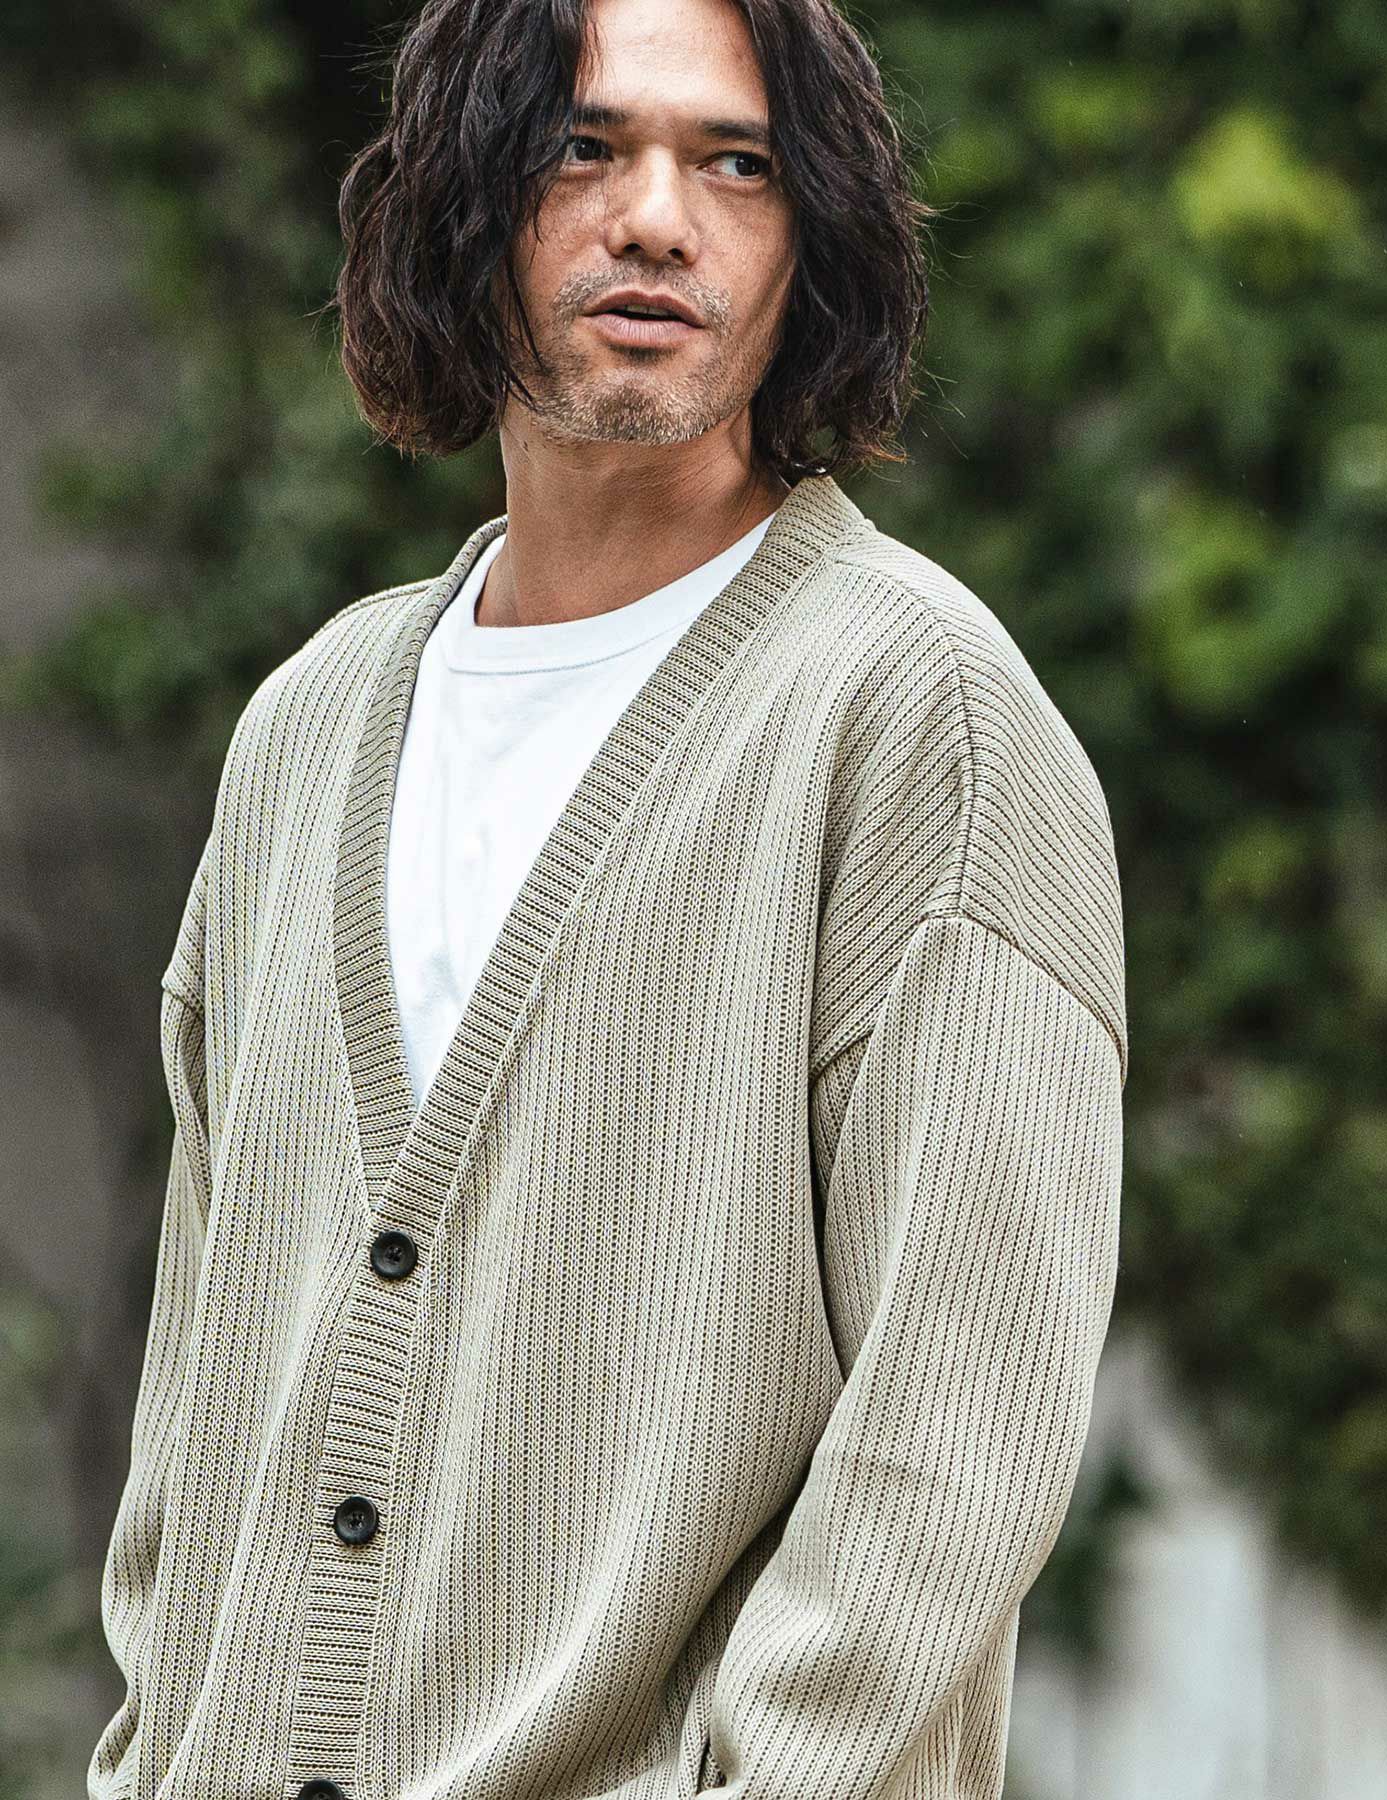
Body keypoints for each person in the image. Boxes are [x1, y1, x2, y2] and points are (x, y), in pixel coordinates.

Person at [89, 0, 1128, 1794]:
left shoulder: (914, 715)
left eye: (739, 164)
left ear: (814, 240)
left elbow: (961, 1423)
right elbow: (198, 1393)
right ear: (462, 201)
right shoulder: (306, 729)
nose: (659, 218)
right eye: (584, 147)